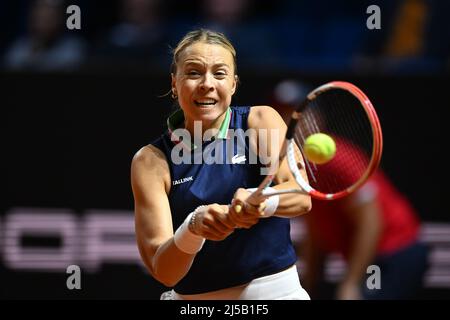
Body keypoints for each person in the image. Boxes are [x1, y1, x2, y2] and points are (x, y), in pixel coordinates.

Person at [130, 29, 312, 300]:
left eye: (219, 73)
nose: (207, 84)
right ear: (174, 83)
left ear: (234, 84)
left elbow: (301, 195)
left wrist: (260, 201)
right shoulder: (150, 161)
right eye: (193, 73)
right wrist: (193, 227)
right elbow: (165, 272)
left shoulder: (260, 121)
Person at [297, 142, 429, 300]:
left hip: (391, 256)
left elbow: (372, 224)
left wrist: (351, 284)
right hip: (373, 261)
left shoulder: (337, 159)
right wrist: (308, 285)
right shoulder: (298, 169)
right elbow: (316, 232)